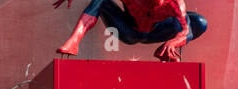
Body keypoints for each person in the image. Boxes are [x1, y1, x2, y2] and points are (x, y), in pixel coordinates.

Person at [55, 0, 209, 62]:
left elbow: (185, 31)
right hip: (129, 30)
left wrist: (173, 42)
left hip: (157, 32)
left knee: (198, 22)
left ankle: (167, 53)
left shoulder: (173, 3)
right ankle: (74, 41)